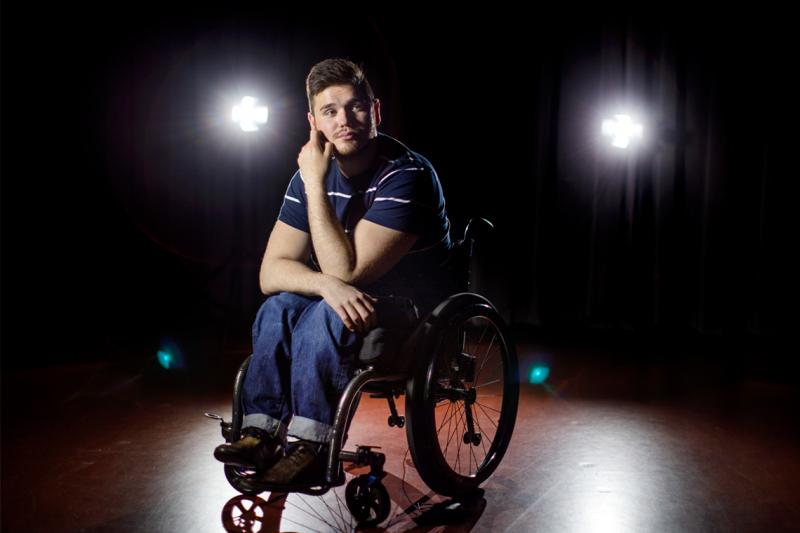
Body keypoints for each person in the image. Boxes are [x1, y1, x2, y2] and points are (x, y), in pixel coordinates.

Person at [214, 58, 455, 486]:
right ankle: (259, 434)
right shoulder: (310, 175)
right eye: (329, 111)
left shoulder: (408, 175)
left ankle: (311, 447)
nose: (344, 120)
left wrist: (314, 188)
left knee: (327, 311)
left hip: (414, 314)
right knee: (279, 308)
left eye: (355, 107)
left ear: (376, 111)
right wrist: (324, 284)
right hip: (346, 301)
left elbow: (347, 271)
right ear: (313, 122)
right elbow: (272, 272)